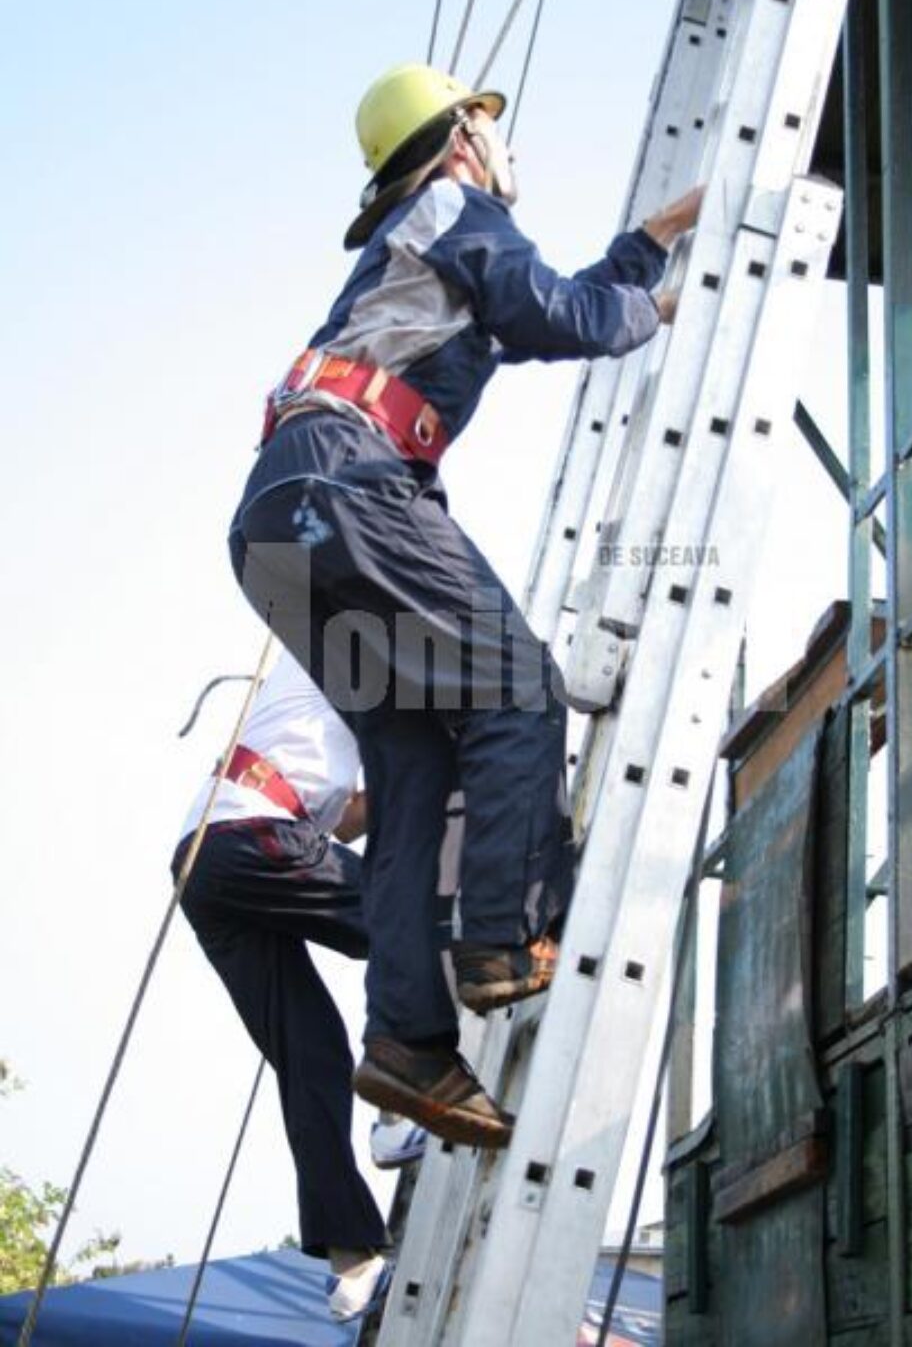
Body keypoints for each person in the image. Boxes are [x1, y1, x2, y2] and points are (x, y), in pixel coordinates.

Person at [227, 63, 702, 1150]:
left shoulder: (414, 245)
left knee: (408, 763)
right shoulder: (454, 205)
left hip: (281, 531)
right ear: (460, 144)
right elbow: (558, 315)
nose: (504, 151)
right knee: (518, 688)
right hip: (351, 493)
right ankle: (504, 932)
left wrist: (651, 241)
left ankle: (408, 1042)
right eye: (493, 133)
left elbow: (538, 301)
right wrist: (654, 301)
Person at [172, 648, 427, 1321]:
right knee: (410, 924)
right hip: (253, 834)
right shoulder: (345, 641)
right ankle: (398, 1105)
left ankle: (352, 1260)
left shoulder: (317, 701)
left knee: (310, 1055)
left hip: (207, 860)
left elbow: (345, 821)